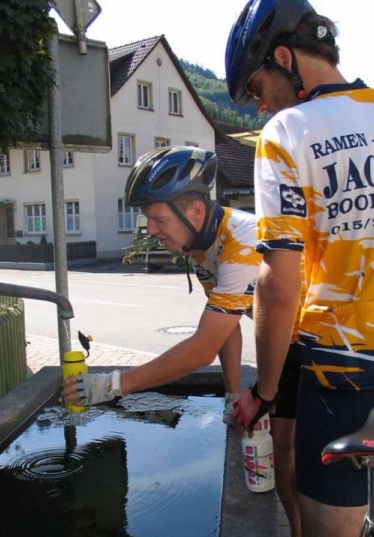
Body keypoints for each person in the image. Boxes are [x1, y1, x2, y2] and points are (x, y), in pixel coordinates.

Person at [225, 1, 374, 537]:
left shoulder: (287, 133)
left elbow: (279, 282)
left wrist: (265, 393)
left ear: (283, 58)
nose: (258, 103)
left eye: (256, 85)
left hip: (344, 373)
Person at [62, 145, 260, 422]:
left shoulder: (242, 240)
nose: (151, 230)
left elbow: (202, 350)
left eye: (159, 219)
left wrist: (112, 385)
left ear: (196, 210)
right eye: (148, 219)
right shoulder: (202, 242)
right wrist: (233, 396)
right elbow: (226, 329)